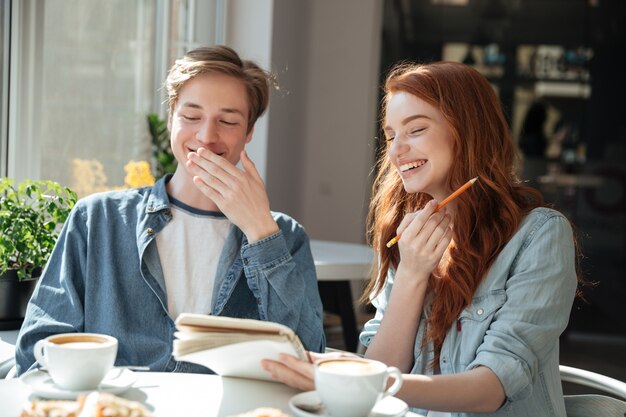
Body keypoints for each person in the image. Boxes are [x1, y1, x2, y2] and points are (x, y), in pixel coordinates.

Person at [262, 61, 579, 416]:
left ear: (467, 130)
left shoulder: (539, 235)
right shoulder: (406, 233)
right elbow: (381, 364)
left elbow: (489, 390)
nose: (396, 151)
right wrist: (412, 274)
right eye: (390, 135)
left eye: (415, 130)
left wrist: (353, 381)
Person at [15, 45, 325, 375]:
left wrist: (261, 233)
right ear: (171, 117)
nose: (206, 137)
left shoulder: (284, 238)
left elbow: (309, 360)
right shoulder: (97, 220)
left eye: (228, 120)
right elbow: (39, 347)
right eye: (191, 117)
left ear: (249, 131)